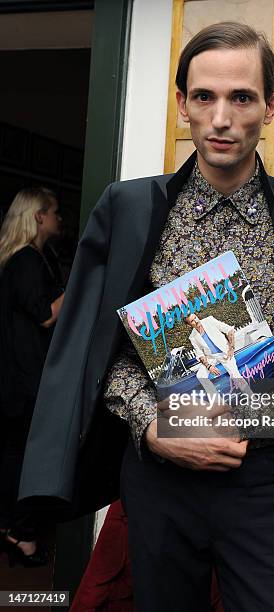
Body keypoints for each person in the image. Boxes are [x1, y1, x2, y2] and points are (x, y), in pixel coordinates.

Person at [18, 22, 274, 611]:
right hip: (159, 481)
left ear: (272, 105)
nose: (221, 118)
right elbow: (94, 352)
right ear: (182, 102)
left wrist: (242, 415)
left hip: (264, 482)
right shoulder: (127, 208)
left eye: (242, 97)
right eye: (204, 97)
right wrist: (158, 427)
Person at [0, 187, 64, 567]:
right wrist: (82, 281)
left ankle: (14, 528)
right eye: (55, 212)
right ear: (39, 217)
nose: (59, 219)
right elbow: (45, 315)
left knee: (16, 453)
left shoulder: (34, 258)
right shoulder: (25, 260)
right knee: (23, 455)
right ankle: (18, 532)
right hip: (22, 382)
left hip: (20, 378)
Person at [185, 313, 250, 397]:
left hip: (224, 352)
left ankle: (252, 397)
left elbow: (229, 330)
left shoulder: (209, 320)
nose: (196, 321)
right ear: (189, 325)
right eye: (192, 321)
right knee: (201, 376)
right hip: (211, 357)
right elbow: (200, 354)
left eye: (195, 318)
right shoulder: (192, 337)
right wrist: (209, 366)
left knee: (235, 375)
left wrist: (231, 348)